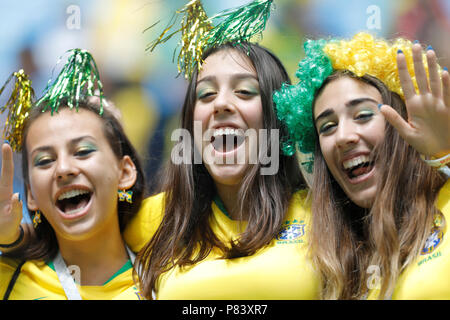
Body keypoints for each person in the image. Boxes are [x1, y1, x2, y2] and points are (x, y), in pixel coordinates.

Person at [124, 41, 320, 299]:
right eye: (206, 94)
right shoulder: (159, 219)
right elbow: (97, 219)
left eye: (244, 91)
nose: (221, 104)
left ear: (276, 117)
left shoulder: (322, 212)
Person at [273, 32, 449, 299]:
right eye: (328, 126)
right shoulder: (330, 262)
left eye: (364, 115)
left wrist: (444, 153)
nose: (344, 136)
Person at [0, 96, 146, 300]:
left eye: (83, 151)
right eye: (44, 161)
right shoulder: (7, 280)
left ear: (125, 172)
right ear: (31, 195)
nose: (63, 169)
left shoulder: (171, 268)